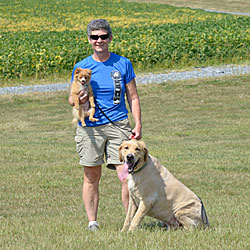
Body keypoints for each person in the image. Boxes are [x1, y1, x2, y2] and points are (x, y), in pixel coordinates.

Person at [68, 19, 142, 231]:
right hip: (90, 127)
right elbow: (71, 99)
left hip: (118, 125)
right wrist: (79, 100)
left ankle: (131, 223)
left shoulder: (123, 63)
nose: (99, 40)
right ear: (89, 40)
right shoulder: (82, 67)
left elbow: (133, 97)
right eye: (94, 37)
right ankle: (93, 223)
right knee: (91, 176)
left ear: (110, 38)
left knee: (126, 176)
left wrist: (137, 124)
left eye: (102, 36)